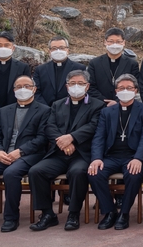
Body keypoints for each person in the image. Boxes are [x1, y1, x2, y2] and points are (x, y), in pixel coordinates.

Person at [0, 75, 50, 233]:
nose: (22, 89)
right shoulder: (4, 110)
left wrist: (21, 151)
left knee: (11, 173)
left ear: (34, 89)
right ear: (13, 91)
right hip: (3, 153)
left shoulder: (44, 110)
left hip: (28, 155)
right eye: (18, 87)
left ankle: (11, 217)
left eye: (26, 86)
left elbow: (42, 138)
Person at [27, 69, 105, 231]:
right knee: (36, 171)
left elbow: (93, 127)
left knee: (77, 172)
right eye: (72, 83)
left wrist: (72, 138)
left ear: (87, 86)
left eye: (81, 83)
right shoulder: (57, 104)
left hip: (82, 154)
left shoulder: (97, 105)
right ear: (67, 86)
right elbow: (50, 126)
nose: (76, 86)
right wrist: (63, 142)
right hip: (59, 152)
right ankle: (48, 214)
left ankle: (74, 213)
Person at [88, 74, 143, 230]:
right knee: (94, 173)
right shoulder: (107, 112)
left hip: (132, 156)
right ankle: (110, 212)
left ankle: (124, 214)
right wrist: (96, 158)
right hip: (111, 156)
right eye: (121, 88)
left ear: (136, 90)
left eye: (129, 88)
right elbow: (99, 137)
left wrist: (139, 158)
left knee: (133, 174)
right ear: (116, 91)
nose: (125, 91)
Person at [87, 28, 140, 105]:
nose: (114, 45)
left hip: (124, 103)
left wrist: (117, 102)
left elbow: (135, 86)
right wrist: (104, 101)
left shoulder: (132, 64)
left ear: (124, 43)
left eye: (118, 42)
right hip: (99, 104)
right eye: (111, 41)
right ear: (105, 42)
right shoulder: (94, 63)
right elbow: (90, 86)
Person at [33, 36, 86, 107]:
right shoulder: (40, 70)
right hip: (45, 110)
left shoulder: (79, 68)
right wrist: (45, 108)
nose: (58, 51)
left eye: (61, 48)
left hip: (69, 109)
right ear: (49, 51)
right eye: (54, 48)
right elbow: (36, 92)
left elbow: (82, 90)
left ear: (67, 50)